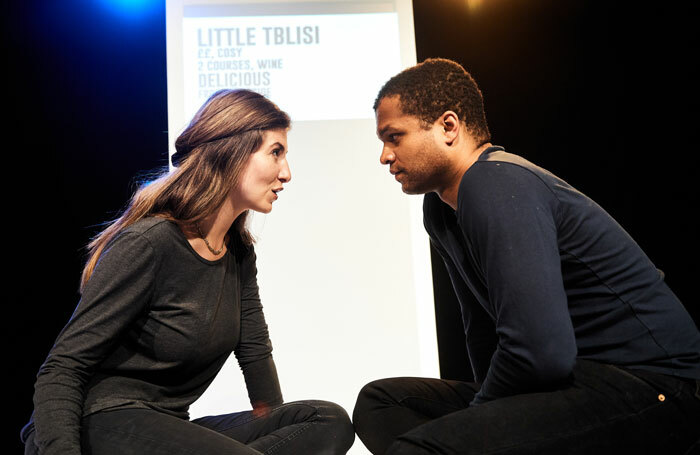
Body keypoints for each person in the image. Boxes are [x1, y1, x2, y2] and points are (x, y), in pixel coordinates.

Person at [352, 58, 700, 454]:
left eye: (394, 137)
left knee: (421, 449)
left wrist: (478, 421)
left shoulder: (494, 182)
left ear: (448, 127)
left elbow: (541, 353)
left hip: (652, 384)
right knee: (381, 403)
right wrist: (487, 417)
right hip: (572, 377)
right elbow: (480, 325)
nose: (384, 155)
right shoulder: (440, 209)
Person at [21, 89, 355, 455]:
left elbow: (255, 351)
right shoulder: (150, 243)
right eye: (276, 152)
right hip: (103, 421)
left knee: (327, 421)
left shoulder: (238, 252)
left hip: (167, 424)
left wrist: (272, 433)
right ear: (233, 152)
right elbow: (63, 367)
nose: (286, 173)